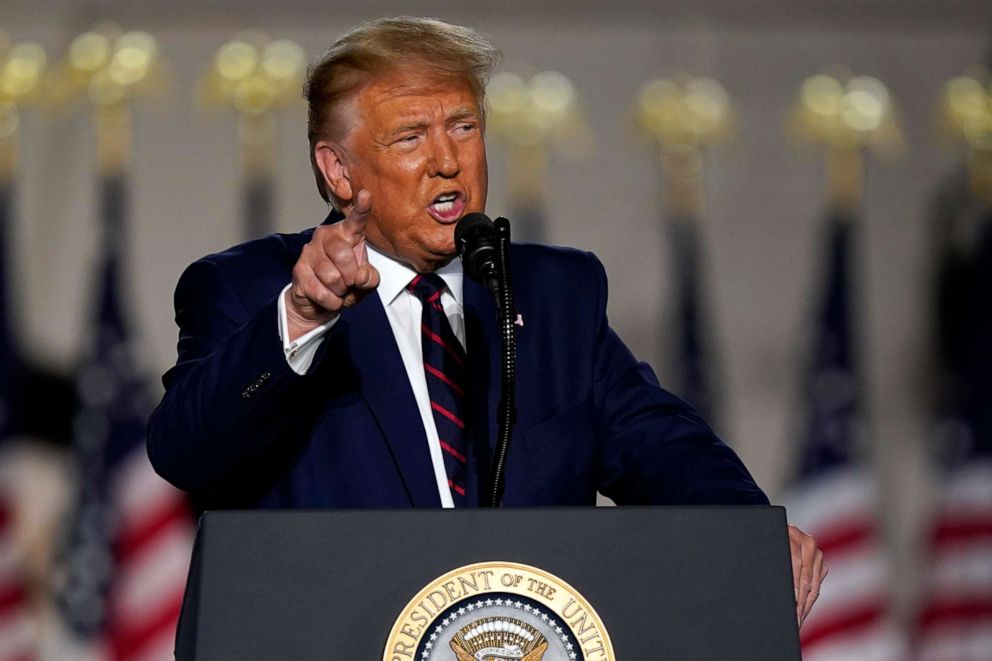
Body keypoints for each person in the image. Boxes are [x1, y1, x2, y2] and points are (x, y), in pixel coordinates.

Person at [146, 17, 825, 625]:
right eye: (411, 136)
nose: (449, 160)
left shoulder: (554, 294)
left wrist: (750, 531)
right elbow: (185, 450)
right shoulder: (248, 290)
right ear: (340, 171)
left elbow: (664, 448)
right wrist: (300, 316)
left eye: (464, 127)